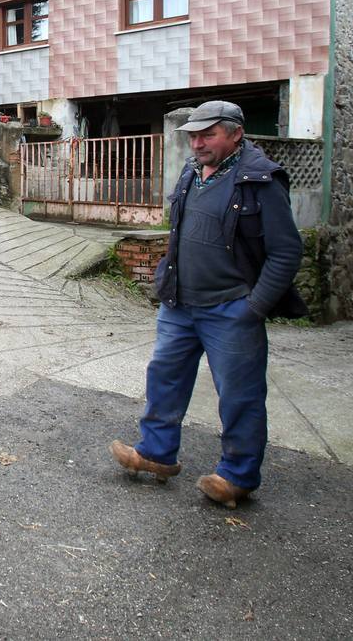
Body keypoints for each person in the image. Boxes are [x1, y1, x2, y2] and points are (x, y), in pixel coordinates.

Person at [109, 100, 306, 508]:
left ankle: (237, 476)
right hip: (180, 303)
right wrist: (168, 274)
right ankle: (155, 454)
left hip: (232, 308)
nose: (197, 143)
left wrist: (254, 309)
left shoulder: (261, 181)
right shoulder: (190, 173)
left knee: (239, 395)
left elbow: (286, 252)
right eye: (193, 136)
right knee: (164, 377)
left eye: (207, 134)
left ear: (235, 133)